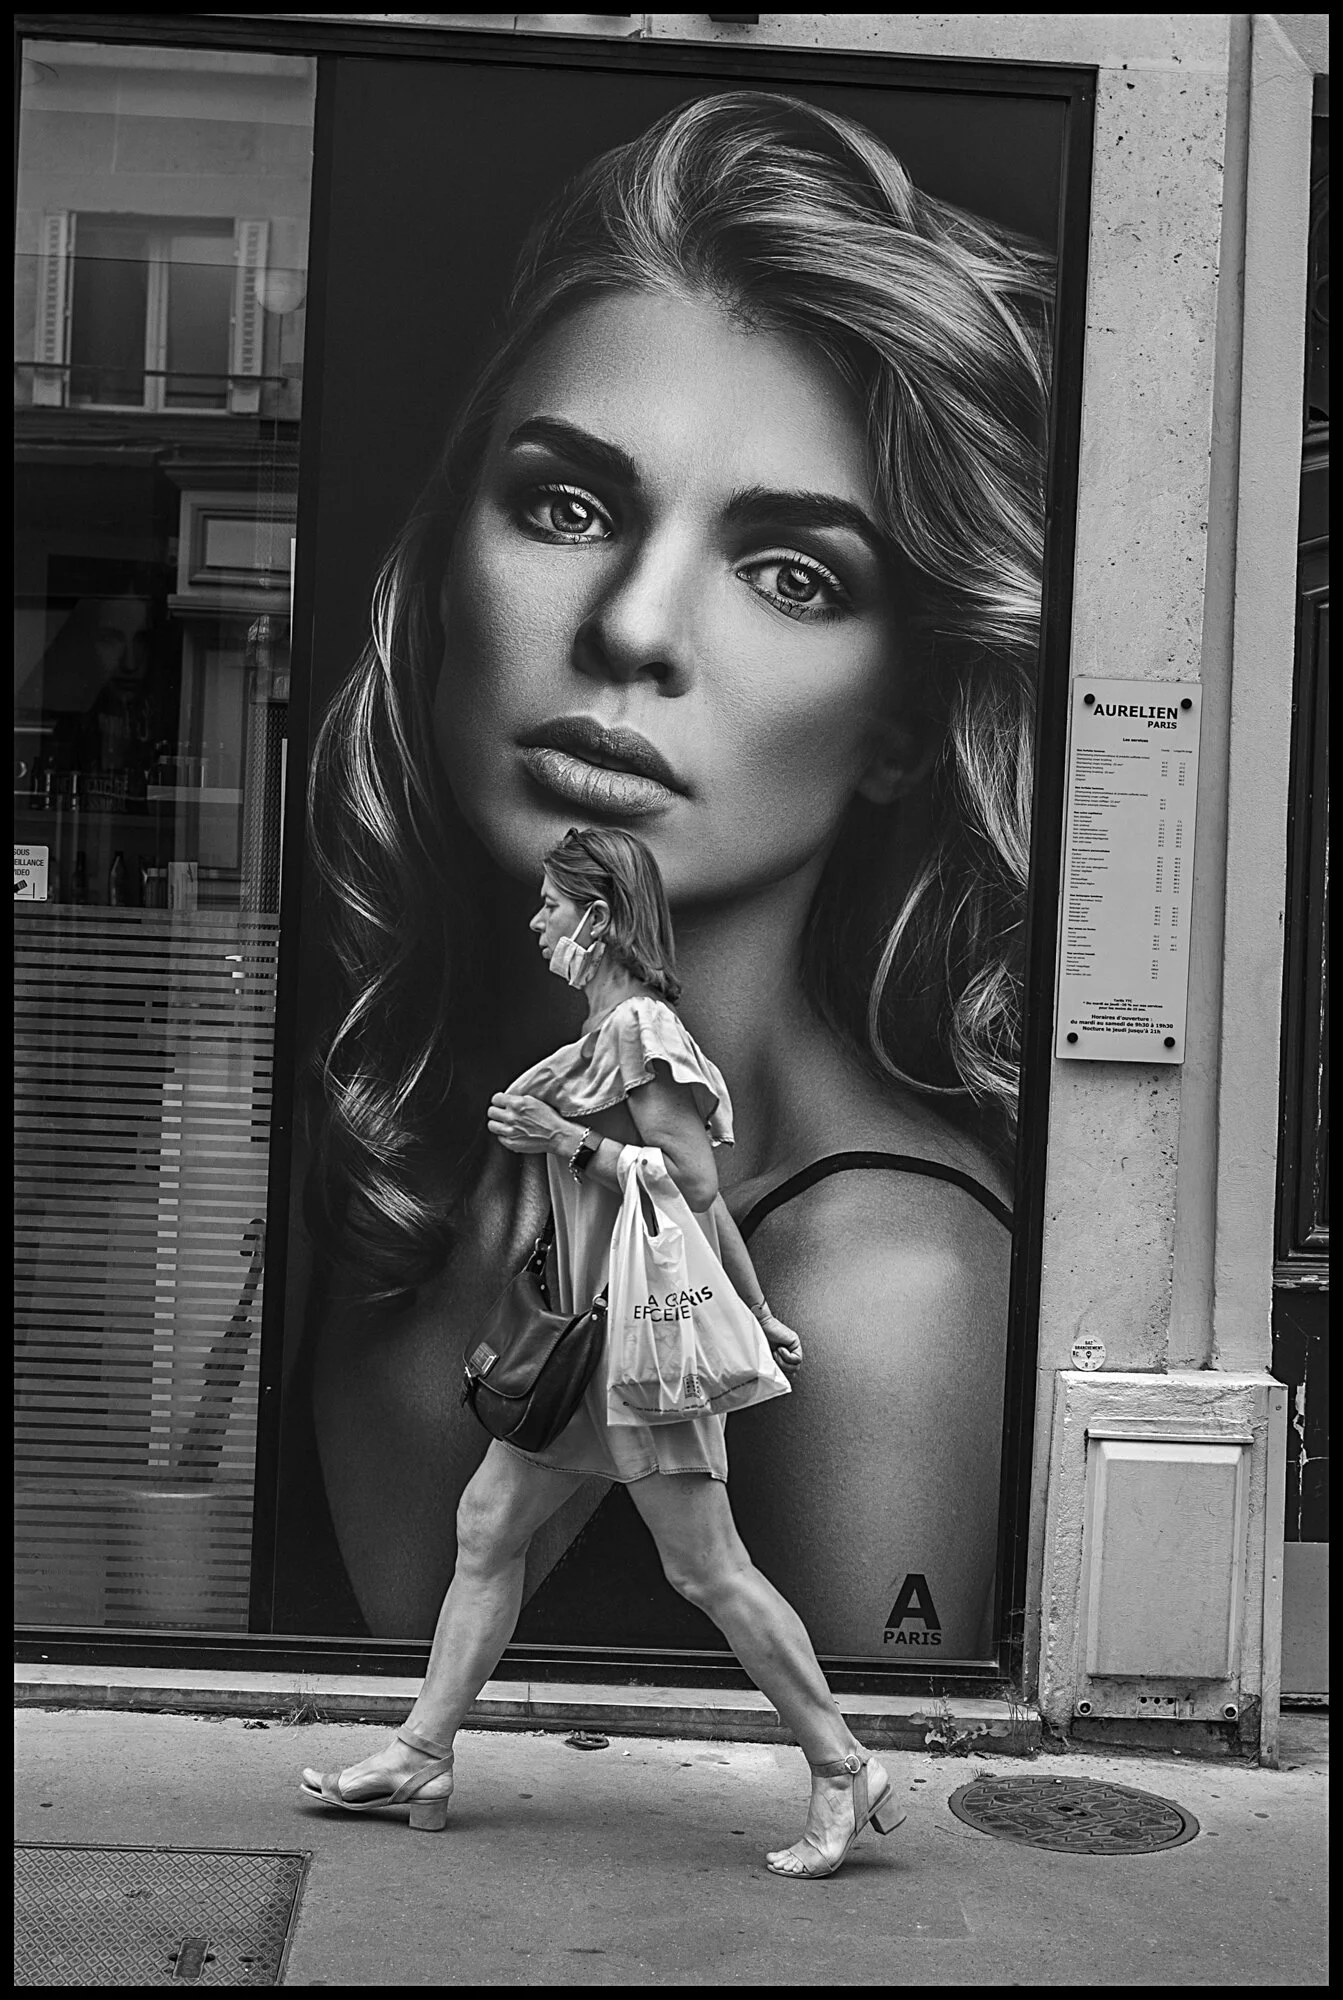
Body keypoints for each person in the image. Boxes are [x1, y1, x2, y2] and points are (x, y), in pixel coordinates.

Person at [289, 90, 1047, 1663]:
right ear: (439, 573)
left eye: (788, 574)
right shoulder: (372, 1158)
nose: (631, 627)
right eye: (565, 506)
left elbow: (882, 1904)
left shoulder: (879, 1294)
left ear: (900, 725)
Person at [302, 826, 906, 1879]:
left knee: (705, 1567)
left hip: (636, 1354)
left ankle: (841, 1760)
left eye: (549, 903)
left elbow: (689, 1182)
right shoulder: (604, 1028)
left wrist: (564, 1138)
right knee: (487, 1524)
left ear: (597, 914)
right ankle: (419, 1754)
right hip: (585, 1349)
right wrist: (756, 1308)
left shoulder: (638, 1026)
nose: (534, 919)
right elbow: (697, 1203)